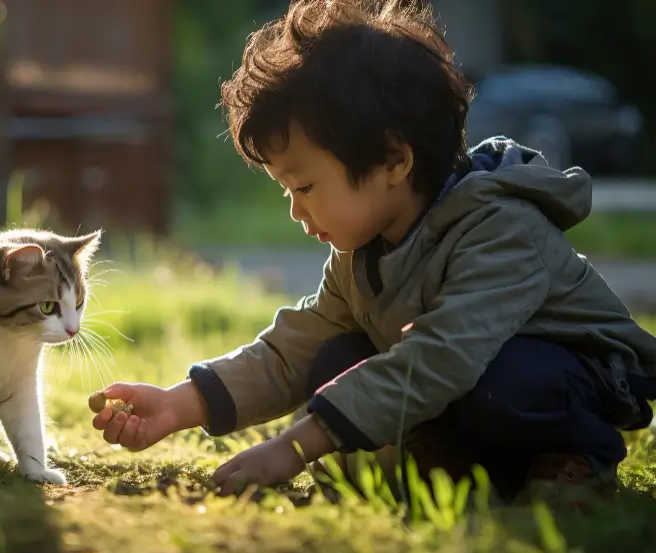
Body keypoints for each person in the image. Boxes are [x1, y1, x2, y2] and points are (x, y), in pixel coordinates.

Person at [91, 0, 656, 506]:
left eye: (305, 187)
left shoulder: (501, 229)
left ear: (393, 161)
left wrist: (295, 447)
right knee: (332, 358)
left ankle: (573, 459)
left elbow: (440, 357)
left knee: (507, 380)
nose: (295, 211)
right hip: (463, 381)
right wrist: (178, 403)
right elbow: (292, 348)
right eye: (286, 192)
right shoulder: (362, 251)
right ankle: (451, 469)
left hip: (570, 375)